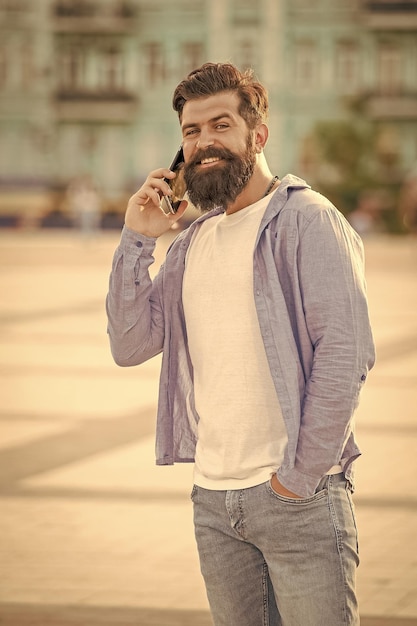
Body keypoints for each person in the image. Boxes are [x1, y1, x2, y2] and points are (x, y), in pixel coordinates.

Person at [106, 62, 375, 626]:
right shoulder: (189, 245)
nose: (204, 142)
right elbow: (129, 344)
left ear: (258, 135)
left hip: (296, 499)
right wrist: (137, 239)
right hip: (213, 500)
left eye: (220, 125)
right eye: (191, 132)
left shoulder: (308, 221)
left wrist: (296, 482)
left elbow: (343, 356)